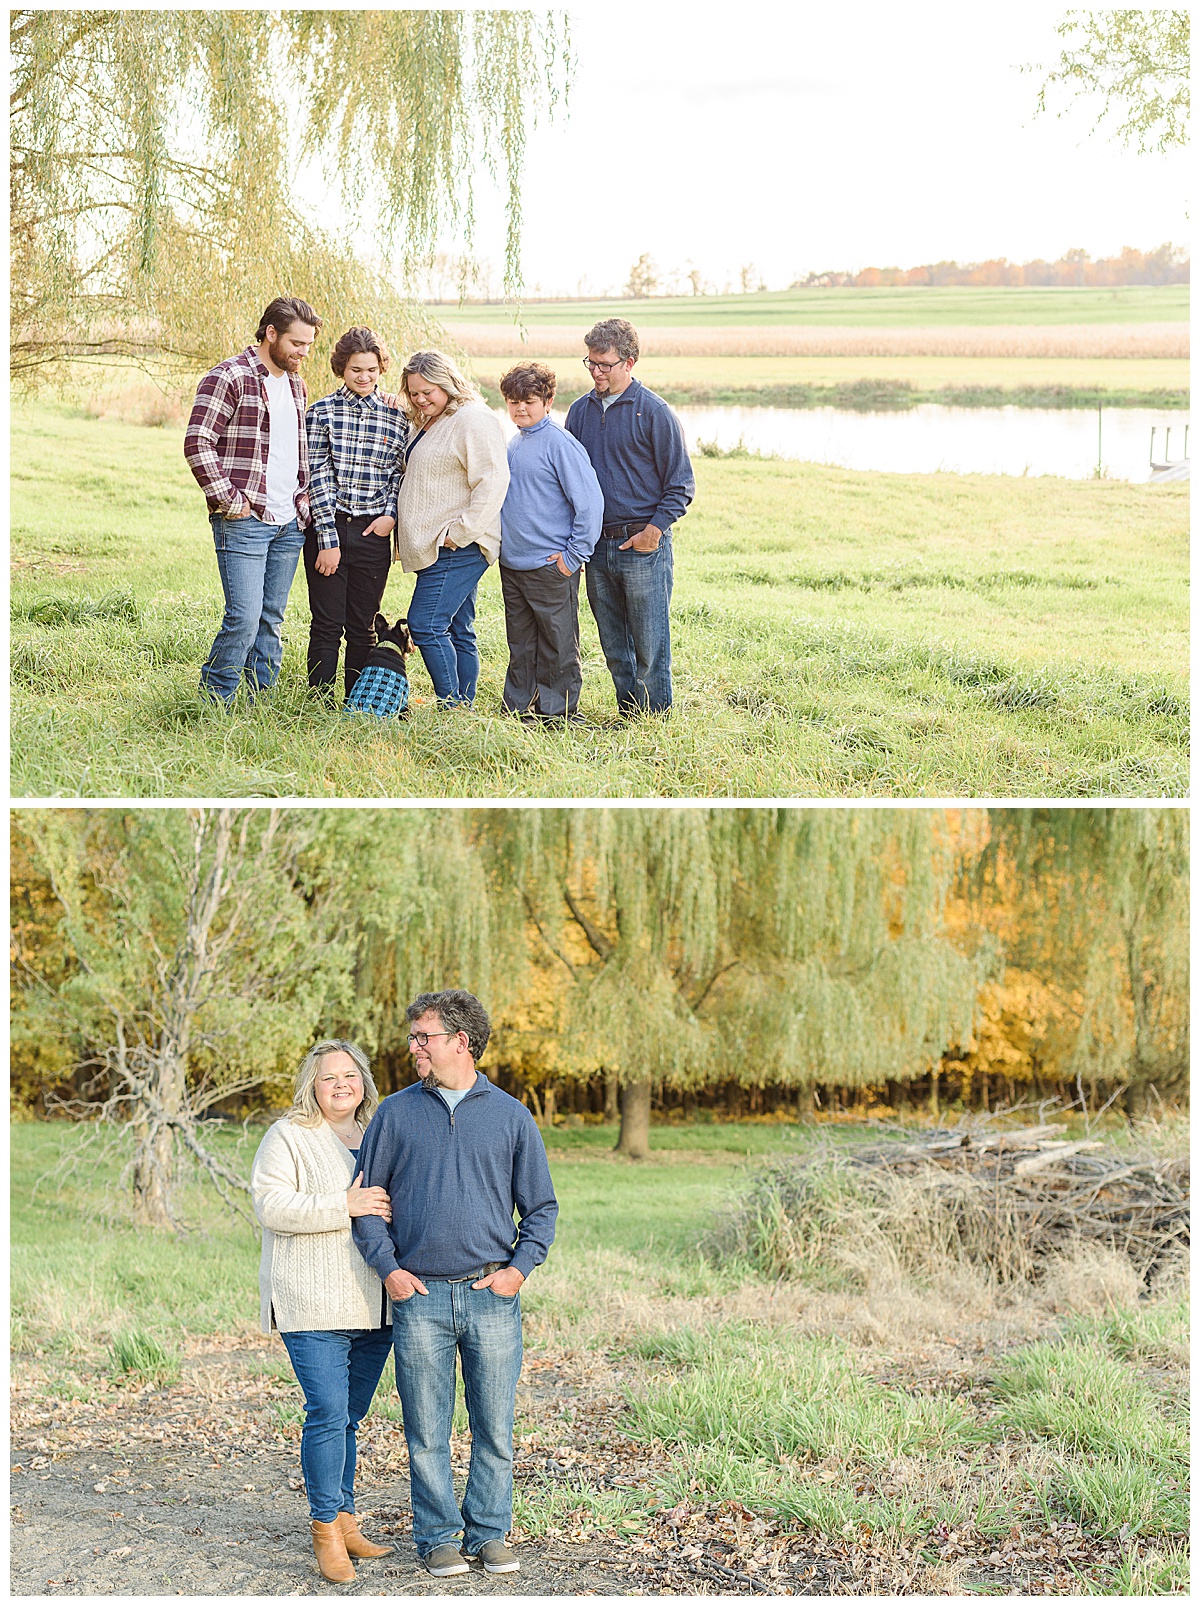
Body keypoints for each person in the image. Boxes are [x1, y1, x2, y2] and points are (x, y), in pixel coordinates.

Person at [352, 990, 558, 1578]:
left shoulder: (511, 1116)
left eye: (425, 1037)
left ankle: (489, 1532)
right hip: (418, 1298)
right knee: (426, 1427)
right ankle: (438, 1536)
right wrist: (388, 1269)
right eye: (414, 1037)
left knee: (494, 1424)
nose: (414, 1047)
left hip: (490, 1295)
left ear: (460, 1042)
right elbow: (367, 1202)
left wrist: (518, 1271)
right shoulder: (395, 1113)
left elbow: (540, 1208)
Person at [251, 1040, 396, 1584]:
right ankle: (323, 1530)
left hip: (372, 1301)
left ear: (364, 1082)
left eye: (350, 1075)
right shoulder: (288, 1135)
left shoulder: (377, 1133)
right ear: (311, 1085)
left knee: (350, 1419)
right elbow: (270, 1206)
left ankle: (346, 1517)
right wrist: (345, 1204)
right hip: (311, 1301)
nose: (341, 1085)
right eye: (329, 1077)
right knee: (328, 1413)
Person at [184, 296, 321, 705]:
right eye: (297, 343)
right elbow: (197, 442)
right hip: (245, 519)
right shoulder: (230, 376)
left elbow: (295, 449)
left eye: (309, 345)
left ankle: (259, 701)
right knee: (243, 618)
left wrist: (303, 500)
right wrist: (230, 499)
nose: (303, 353)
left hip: (289, 522)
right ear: (271, 333)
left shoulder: (297, 384)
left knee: (270, 620)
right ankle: (214, 700)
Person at [565, 317, 695, 716]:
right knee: (614, 644)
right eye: (591, 363)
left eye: (605, 364)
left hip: (642, 545)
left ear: (630, 362)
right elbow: (568, 482)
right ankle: (630, 715)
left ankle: (656, 720)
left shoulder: (654, 412)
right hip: (596, 547)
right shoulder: (579, 412)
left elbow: (681, 485)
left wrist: (653, 533)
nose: (597, 372)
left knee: (649, 644)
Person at [394, 352, 510, 709]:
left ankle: (452, 703)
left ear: (447, 383)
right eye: (413, 393)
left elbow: (493, 480)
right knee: (458, 627)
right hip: (439, 543)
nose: (420, 399)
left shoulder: (472, 419)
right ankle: (462, 705)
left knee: (425, 624)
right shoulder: (430, 420)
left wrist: (460, 532)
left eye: (427, 391)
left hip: (458, 545)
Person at [304, 328, 409, 700]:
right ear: (341, 370)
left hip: (374, 532)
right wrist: (327, 540)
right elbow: (317, 477)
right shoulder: (320, 413)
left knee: (362, 625)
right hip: (331, 527)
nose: (363, 377)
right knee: (327, 624)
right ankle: (317, 700)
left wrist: (391, 516)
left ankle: (357, 699)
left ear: (381, 368)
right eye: (355, 370)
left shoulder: (398, 415)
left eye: (371, 370)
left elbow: (400, 473)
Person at [498, 362, 604, 723]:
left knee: (558, 644)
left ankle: (557, 714)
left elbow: (589, 505)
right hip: (513, 565)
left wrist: (572, 558)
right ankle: (518, 709)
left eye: (528, 401)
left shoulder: (560, 445)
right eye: (513, 401)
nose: (520, 408)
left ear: (548, 401)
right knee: (521, 644)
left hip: (550, 567)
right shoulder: (514, 442)